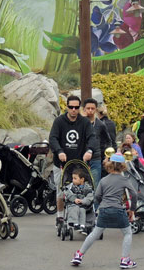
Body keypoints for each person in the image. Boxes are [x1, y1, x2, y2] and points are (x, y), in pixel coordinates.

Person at [70, 153, 138, 269]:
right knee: (127, 233)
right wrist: (132, 210)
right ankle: (125, 259)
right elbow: (134, 194)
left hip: (104, 210)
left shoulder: (104, 180)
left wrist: (103, 203)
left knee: (95, 233)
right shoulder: (124, 180)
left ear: (109, 165)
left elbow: (97, 196)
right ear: (122, 166)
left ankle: (79, 255)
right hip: (118, 210)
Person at [48, 95, 95, 224]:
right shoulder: (59, 121)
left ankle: (84, 216)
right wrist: (59, 151)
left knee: (84, 189)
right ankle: (60, 215)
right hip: (62, 163)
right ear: (67, 107)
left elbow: (91, 137)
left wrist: (89, 150)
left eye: (76, 107)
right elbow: (53, 138)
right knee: (61, 189)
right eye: (71, 107)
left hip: (79, 163)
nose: (73, 110)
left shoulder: (84, 122)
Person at [82, 98, 114, 188]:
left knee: (95, 185)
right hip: (81, 157)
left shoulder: (100, 125)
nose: (90, 110)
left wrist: (107, 157)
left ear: (96, 110)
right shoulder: (80, 123)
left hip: (96, 158)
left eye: (92, 108)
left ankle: (95, 202)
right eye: (88, 108)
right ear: (84, 109)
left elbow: (108, 141)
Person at [64, 169, 94, 233]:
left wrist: (83, 201)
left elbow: (89, 197)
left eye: (75, 178)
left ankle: (82, 225)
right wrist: (74, 199)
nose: (73, 180)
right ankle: (75, 223)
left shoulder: (87, 188)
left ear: (82, 179)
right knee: (75, 208)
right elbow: (67, 193)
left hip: (83, 205)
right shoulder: (71, 187)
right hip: (73, 204)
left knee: (82, 210)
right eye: (72, 178)